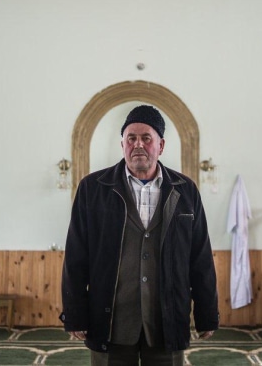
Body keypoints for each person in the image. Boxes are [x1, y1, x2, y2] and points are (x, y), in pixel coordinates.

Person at [60, 104, 219, 366]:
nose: (138, 145)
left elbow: (200, 258)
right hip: (111, 321)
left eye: (147, 138)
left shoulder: (186, 191)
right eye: (131, 138)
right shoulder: (93, 189)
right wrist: (75, 313)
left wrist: (207, 314)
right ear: (122, 144)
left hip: (166, 320)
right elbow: (76, 257)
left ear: (161, 145)